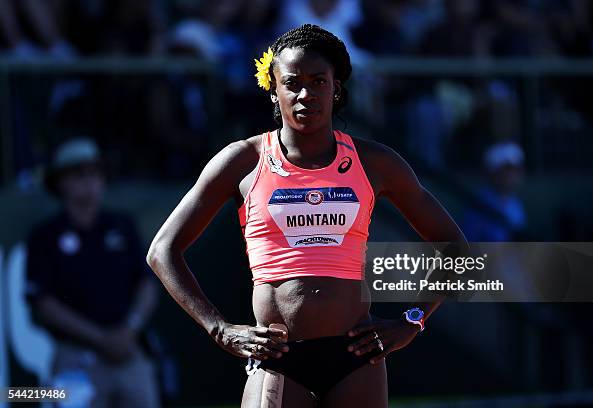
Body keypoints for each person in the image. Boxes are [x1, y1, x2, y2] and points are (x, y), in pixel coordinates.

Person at [147, 24, 467, 407]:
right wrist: (219, 329)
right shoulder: (243, 161)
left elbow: (456, 249)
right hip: (278, 358)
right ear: (273, 90)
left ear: (337, 89)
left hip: (356, 359)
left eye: (318, 81)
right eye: (292, 83)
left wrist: (412, 320)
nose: (305, 94)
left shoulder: (375, 162)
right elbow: (162, 250)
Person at [25, 138, 160, 408]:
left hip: (128, 350)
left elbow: (147, 284)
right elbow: (43, 303)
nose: (89, 180)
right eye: (78, 173)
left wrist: (130, 329)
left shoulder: (122, 226)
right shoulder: (45, 237)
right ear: (60, 181)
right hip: (73, 354)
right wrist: (100, 339)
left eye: (95, 172)